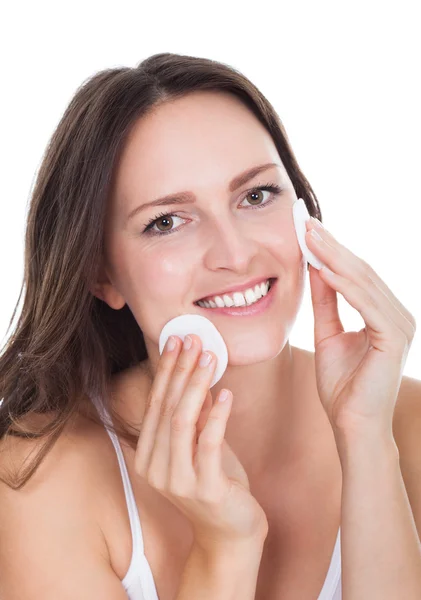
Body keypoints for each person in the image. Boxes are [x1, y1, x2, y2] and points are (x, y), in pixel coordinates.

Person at [0, 53, 420, 600]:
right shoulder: (38, 475)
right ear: (102, 274)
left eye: (256, 195)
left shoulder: (404, 424)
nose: (235, 253)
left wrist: (366, 439)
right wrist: (225, 548)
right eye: (167, 221)